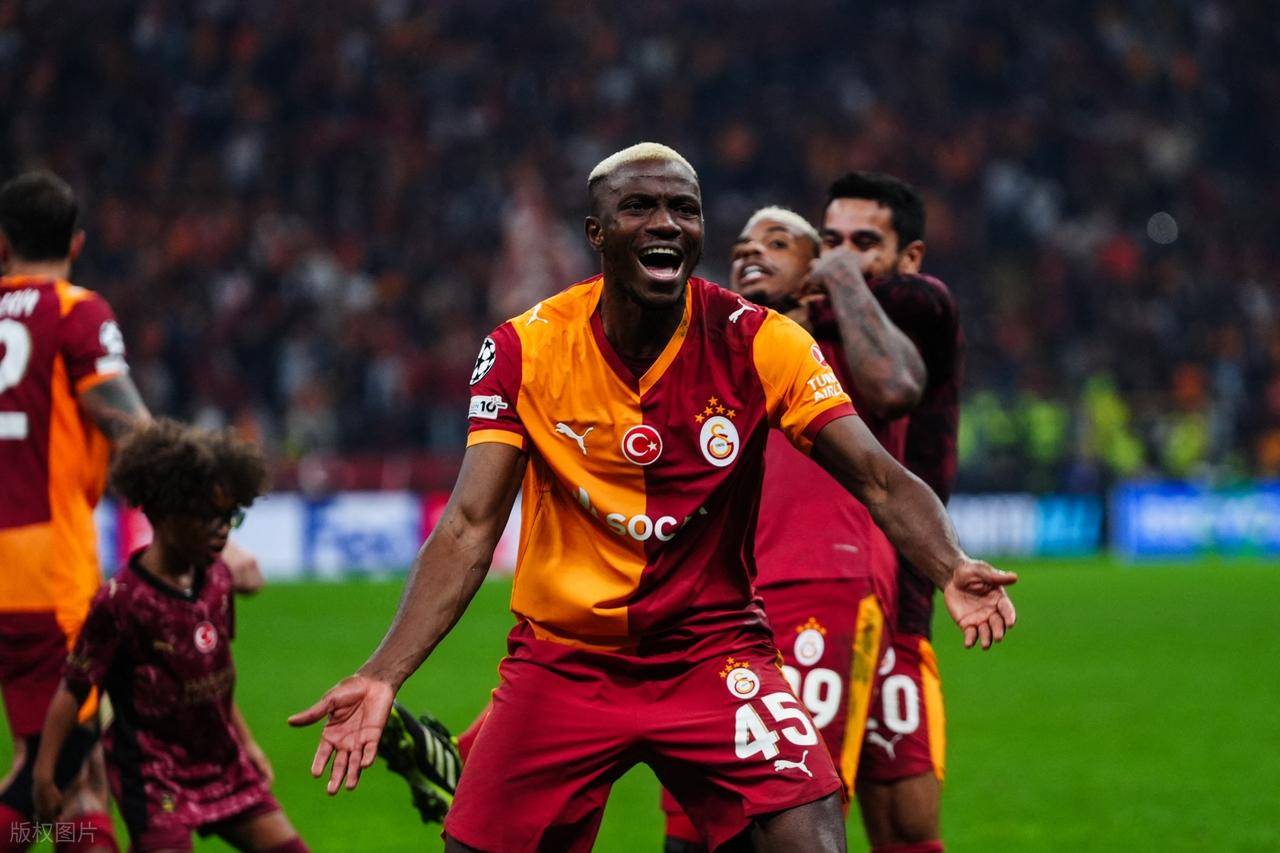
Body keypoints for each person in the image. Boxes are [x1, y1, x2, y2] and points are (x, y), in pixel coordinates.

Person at [291, 143, 1015, 853]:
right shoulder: (524, 349)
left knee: (810, 826)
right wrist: (382, 674)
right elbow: (469, 525)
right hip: (565, 660)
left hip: (712, 653)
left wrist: (951, 565)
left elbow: (879, 475)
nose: (666, 222)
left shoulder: (763, 342)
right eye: (639, 206)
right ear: (596, 232)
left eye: (683, 209)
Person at [0, 172, 263, 853]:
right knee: (68, 769)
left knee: (58, 766)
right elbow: (130, 429)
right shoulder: (76, 313)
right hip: (43, 569)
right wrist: (214, 522)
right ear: (77, 243)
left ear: (2, 244)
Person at [659, 205, 908, 851]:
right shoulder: (709, 355)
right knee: (692, 818)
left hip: (821, 579)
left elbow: (897, 388)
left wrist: (842, 279)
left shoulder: (842, 345)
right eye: (742, 245)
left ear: (813, 271)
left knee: (794, 805)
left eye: (777, 243)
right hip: (716, 604)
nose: (751, 252)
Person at [31, 419, 307, 853]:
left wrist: (248, 743)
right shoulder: (122, 601)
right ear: (162, 513)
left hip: (224, 764)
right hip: (155, 777)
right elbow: (73, 688)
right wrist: (44, 774)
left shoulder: (217, 579)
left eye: (229, 517)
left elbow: (214, 679)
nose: (222, 529)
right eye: (207, 516)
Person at [819, 171, 965, 853]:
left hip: (900, 603)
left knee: (908, 829)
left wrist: (827, 278)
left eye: (863, 243)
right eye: (830, 241)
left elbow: (893, 382)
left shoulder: (921, 309)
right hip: (812, 597)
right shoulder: (789, 327)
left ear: (910, 257)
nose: (841, 257)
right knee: (798, 818)